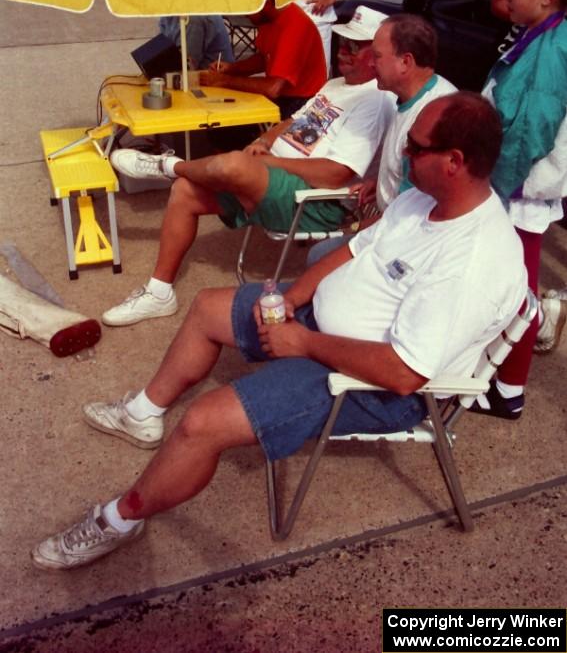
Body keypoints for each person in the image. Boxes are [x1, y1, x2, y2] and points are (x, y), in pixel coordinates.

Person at [31, 93, 526, 571]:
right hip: (322, 330)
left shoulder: (474, 262)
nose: (402, 152)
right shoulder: (423, 201)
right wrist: (294, 298)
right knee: (207, 308)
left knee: (202, 424)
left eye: (415, 147)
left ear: (454, 161)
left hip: (369, 384)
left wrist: (303, 342)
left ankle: (120, 518)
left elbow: (403, 373)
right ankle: (143, 413)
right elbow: (354, 250)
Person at [101, 7, 395, 328]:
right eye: (343, 42)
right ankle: (159, 293)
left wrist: (267, 161)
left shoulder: (374, 101)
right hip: (275, 179)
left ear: (377, 57)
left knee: (234, 162)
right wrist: (265, 142)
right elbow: (292, 121)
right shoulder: (336, 85)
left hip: (311, 200)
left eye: (357, 46)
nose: (345, 51)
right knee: (186, 190)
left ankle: (169, 164)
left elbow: (335, 173)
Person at [470, 0, 567, 421]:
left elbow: (531, 127)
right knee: (513, 286)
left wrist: (491, 185)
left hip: (520, 189)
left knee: (518, 293)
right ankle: (500, 375)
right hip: (518, 185)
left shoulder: (552, 48)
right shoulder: (540, 34)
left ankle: (508, 389)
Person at [307, 13, 456, 264]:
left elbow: (416, 212)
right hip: (396, 222)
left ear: (405, 62)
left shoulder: (430, 119)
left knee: (319, 258)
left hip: (409, 240)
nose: (372, 64)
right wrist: (380, 182)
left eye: (377, 56)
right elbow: (407, 172)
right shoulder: (416, 97)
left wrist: (361, 228)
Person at [198, 0, 327, 119]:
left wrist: (224, 81)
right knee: (223, 119)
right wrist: (232, 68)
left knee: (229, 125)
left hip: (302, 103)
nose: (245, 15)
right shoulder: (268, 19)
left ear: (266, 3)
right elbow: (265, 58)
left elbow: (272, 88)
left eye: (249, 10)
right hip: (284, 97)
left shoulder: (295, 26)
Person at [158, 15, 234, 70]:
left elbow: (186, 66)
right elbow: (162, 50)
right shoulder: (168, 16)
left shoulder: (193, 19)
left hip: (214, 81)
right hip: (196, 76)